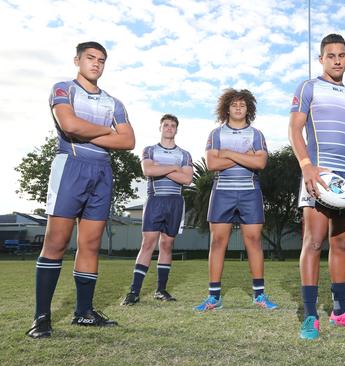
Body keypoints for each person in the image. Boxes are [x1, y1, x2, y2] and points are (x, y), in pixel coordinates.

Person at [26, 42, 135, 338]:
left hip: (102, 171)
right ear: (77, 60)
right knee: (57, 242)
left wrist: (91, 131)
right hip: (71, 167)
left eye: (101, 60)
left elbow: (127, 142)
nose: (96, 64)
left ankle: (83, 312)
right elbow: (69, 125)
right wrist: (108, 131)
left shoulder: (115, 103)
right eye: (90, 58)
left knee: (89, 245)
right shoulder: (63, 88)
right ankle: (42, 317)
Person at [289, 33, 345, 340]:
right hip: (317, 175)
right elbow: (294, 129)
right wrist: (307, 166)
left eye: (342, 55)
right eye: (331, 56)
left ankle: (340, 312)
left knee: (341, 245)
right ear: (321, 59)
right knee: (313, 243)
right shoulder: (308, 87)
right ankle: (310, 315)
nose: (337, 60)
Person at [194, 89, 278, 311]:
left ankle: (259, 296)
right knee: (218, 242)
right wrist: (245, 157)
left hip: (250, 192)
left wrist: (227, 154)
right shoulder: (216, 134)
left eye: (242, 104)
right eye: (234, 104)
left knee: (253, 241)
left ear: (248, 108)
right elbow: (212, 164)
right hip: (222, 192)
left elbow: (260, 164)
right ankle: (214, 297)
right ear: (226, 108)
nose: (238, 108)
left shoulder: (257, 134)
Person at [121, 114, 193, 305]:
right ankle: (134, 292)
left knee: (167, 245)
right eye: (166, 125)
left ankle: (161, 290)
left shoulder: (184, 154)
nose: (169, 128)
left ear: (176, 129)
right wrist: (174, 168)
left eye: (172, 125)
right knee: (147, 244)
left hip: (175, 202)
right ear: (160, 128)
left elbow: (187, 180)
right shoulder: (150, 150)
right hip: (156, 200)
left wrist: (161, 167)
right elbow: (148, 171)